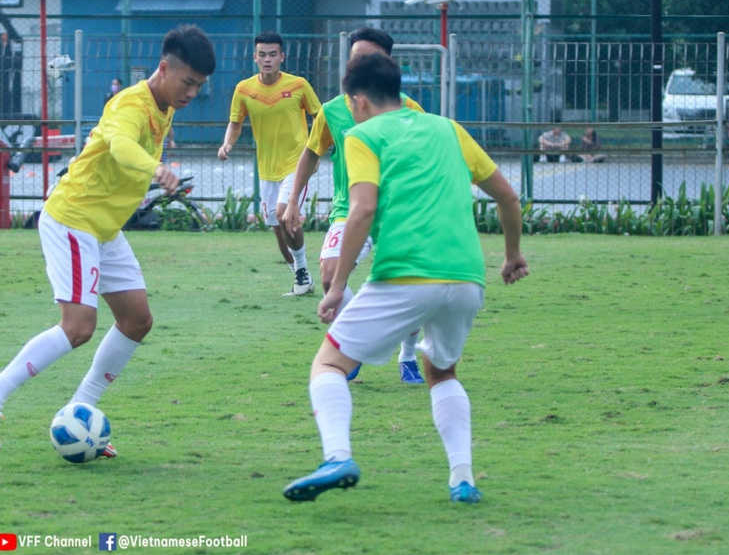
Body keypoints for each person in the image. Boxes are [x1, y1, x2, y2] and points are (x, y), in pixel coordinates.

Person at [282, 52, 528, 505]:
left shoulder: (362, 134)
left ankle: (337, 456)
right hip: (467, 279)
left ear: (356, 101)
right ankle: (462, 479)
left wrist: (337, 288)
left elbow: (363, 209)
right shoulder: (448, 128)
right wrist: (511, 255)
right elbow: (508, 197)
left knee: (329, 364)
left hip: (406, 275)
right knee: (443, 370)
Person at [0, 25, 216, 454]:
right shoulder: (131, 103)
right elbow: (118, 145)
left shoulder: (165, 103)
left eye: (199, 86)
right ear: (164, 67)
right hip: (74, 218)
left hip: (103, 228)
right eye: (187, 82)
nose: (191, 93)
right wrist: (154, 169)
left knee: (137, 320)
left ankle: (81, 412)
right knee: (78, 327)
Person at [281, 27, 427, 385]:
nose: (358, 64)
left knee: (411, 284)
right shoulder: (333, 110)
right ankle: (356, 348)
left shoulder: (409, 109)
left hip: (398, 209)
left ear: (386, 64)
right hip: (351, 207)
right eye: (354, 57)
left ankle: (408, 357)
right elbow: (313, 153)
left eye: (368, 58)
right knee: (331, 275)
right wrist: (292, 203)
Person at [218, 31, 322, 296]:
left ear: (282, 57)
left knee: (286, 214)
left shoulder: (299, 85)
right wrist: (227, 144)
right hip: (267, 170)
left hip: (296, 164)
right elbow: (235, 123)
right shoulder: (244, 89)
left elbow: (320, 119)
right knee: (278, 229)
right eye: (262, 55)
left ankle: (302, 275)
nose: (267, 59)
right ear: (255, 57)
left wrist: (315, 154)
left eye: (273, 55)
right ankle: (302, 275)